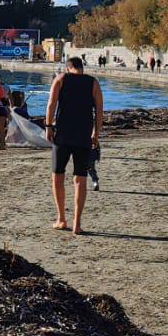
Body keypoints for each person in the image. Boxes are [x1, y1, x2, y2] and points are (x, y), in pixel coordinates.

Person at [45, 55, 103, 235]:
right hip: (83, 135)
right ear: (81, 68)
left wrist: (48, 126)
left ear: (67, 67)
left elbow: (51, 104)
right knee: (80, 178)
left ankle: (61, 219)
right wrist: (96, 133)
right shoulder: (93, 82)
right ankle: (77, 224)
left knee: (57, 175)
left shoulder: (61, 79)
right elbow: (100, 109)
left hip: (62, 135)